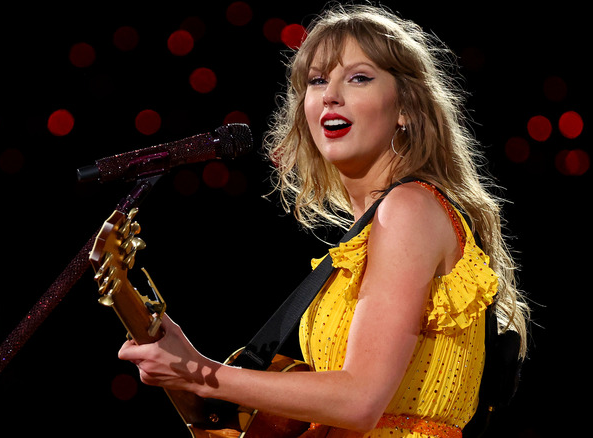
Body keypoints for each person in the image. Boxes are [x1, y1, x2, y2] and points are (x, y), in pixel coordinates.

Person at [118, 4, 530, 437]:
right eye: (317, 80)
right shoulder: (377, 229)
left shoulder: (410, 208)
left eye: (358, 77)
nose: (331, 93)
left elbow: (359, 401)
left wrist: (199, 372)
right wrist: (194, 368)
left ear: (405, 107)